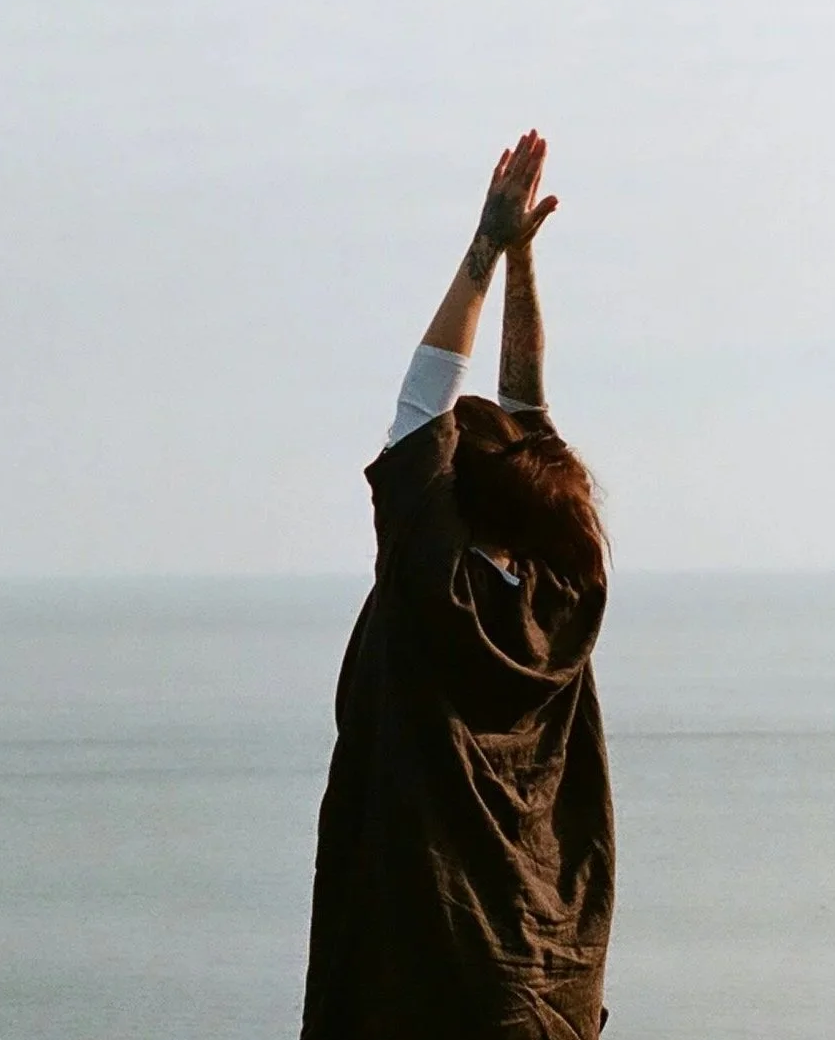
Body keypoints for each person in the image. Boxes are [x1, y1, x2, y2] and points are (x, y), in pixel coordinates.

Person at [301, 130, 614, 1039]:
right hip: (546, 988)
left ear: (455, 496)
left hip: (425, 979)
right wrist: (520, 260)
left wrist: (486, 247)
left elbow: (424, 402)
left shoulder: (432, 589)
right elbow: (529, 414)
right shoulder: (568, 599)